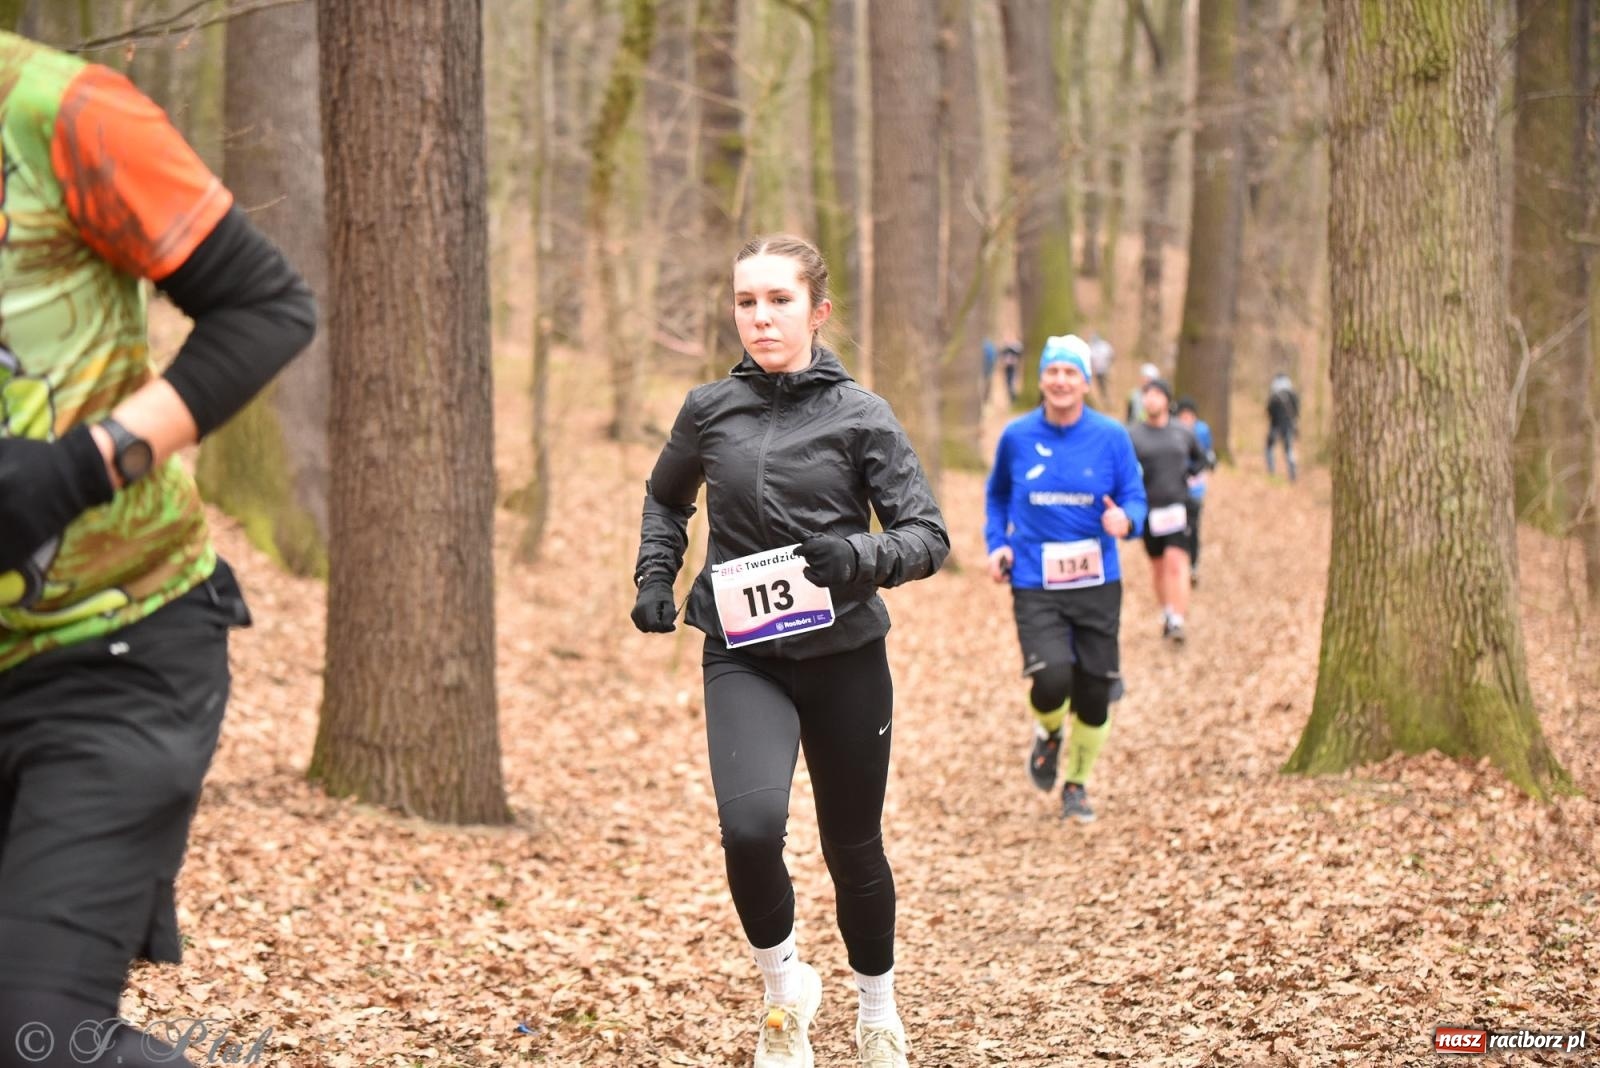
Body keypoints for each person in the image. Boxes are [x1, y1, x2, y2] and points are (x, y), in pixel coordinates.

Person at [0, 31, 316, 1068]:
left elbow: (268, 307)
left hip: (114, 648)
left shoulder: (65, 113)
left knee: (37, 1036)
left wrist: (76, 470)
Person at [631, 234, 948, 1068]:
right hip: (745, 654)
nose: (761, 317)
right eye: (746, 302)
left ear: (818, 311)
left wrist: (860, 557)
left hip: (844, 656)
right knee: (748, 830)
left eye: (778, 300)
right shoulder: (708, 410)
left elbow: (927, 535)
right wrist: (655, 579)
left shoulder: (862, 415)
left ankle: (877, 1008)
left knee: (852, 845)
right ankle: (784, 994)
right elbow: (666, 502)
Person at [985, 334, 1147, 824]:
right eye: (1052, 371)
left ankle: (1076, 784)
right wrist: (998, 545)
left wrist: (1128, 521)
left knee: (1096, 692)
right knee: (1051, 678)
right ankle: (1050, 732)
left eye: (1070, 372)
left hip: (1097, 581)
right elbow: (996, 498)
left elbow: (1134, 496)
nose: (1060, 380)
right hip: (1035, 582)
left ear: (1085, 381)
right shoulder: (1016, 436)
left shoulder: (1112, 436)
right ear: (1041, 380)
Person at [1127, 380, 1208, 642]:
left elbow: (1201, 458)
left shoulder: (1182, 432)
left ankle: (1177, 620)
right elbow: (1124, 470)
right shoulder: (1133, 435)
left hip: (1178, 506)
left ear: (1166, 400)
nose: (1151, 400)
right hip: (1148, 510)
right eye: (1147, 395)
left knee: (1176, 561)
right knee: (1159, 566)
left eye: (1157, 395)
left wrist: (1189, 475)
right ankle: (1167, 610)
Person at [1173, 398, 1217, 586]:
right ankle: (1178, 567)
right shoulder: (1171, 431)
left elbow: (1208, 455)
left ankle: (1193, 565)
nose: (1186, 420)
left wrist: (1203, 464)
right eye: (1182, 416)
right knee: (1176, 529)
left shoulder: (1202, 431)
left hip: (1195, 490)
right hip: (1174, 490)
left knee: (1193, 528)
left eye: (1189, 416)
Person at [1266, 372, 1300, 481]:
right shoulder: (1292, 395)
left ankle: (1271, 470)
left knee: (1270, 448)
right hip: (1288, 426)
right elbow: (1297, 411)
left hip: (1276, 426)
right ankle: (1291, 472)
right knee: (1288, 449)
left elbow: (1269, 411)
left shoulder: (1275, 396)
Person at [1087, 331, 1114, 408]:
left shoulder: (1103, 346)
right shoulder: (1092, 347)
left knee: (1106, 386)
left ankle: (1108, 401)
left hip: (1105, 370)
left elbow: (1111, 355)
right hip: (1100, 371)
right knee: (1103, 387)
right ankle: (1106, 402)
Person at [999, 339, 1023, 404]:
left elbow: (1019, 353)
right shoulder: (1006, 348)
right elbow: (1002, 353)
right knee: (1008, 382)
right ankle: (1011, 397)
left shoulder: (1016, 347)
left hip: (1014, 367)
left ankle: (1014, 397)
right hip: (1007, 367)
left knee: (1012, 381)